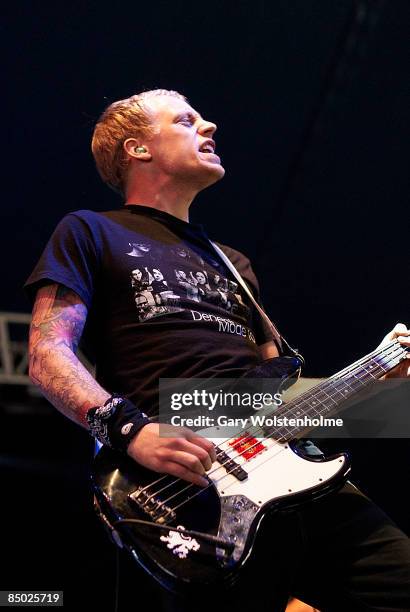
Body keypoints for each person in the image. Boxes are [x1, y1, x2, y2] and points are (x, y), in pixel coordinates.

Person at [25, 89, 410, 611]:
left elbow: (280, 394)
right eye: (187, 120)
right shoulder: (90, 230)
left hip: (286, 465)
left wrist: (374, 381)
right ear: (137, 148)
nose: (210, 126)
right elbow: (48, 352)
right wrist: (131, 431)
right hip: (181, 467)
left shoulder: (234, 263)